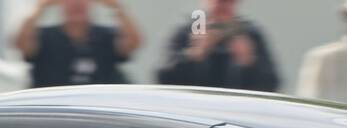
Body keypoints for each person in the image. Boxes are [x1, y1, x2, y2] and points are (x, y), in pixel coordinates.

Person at [156, 0, 279, 92]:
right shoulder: (186, 32)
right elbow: (163, 77)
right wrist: (194, 55)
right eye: (219, 2)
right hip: (193, 109)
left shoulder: (251, 35)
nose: (222, 7)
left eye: (227, 2)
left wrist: (248, 62)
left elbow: (271, 83)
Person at [12, 0, 140, 88]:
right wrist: (40, 7)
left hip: (97, 108)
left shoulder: (106, 35)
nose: (76, 4)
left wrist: (116, 7)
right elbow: (20, 43)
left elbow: (134, 42)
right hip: (52, 109)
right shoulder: (45, 35)